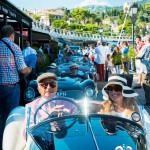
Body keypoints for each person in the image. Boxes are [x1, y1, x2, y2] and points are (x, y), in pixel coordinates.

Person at [24, 73, 79, 148]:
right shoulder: (31, 107)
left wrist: (68, 118)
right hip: (42, 145)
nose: (48, 88)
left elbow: (77, 129)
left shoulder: (70, 103)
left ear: (57, 87)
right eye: (44, 85)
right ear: (38, 89)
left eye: (52, 84)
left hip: (67, 143)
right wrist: (46, 117)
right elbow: (27, 134)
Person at [0, 25, 32, 148]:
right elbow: (23, 70)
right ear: (12, 35)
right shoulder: (14, 47)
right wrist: (29, 69)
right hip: (10, 87)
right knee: (10, 118)